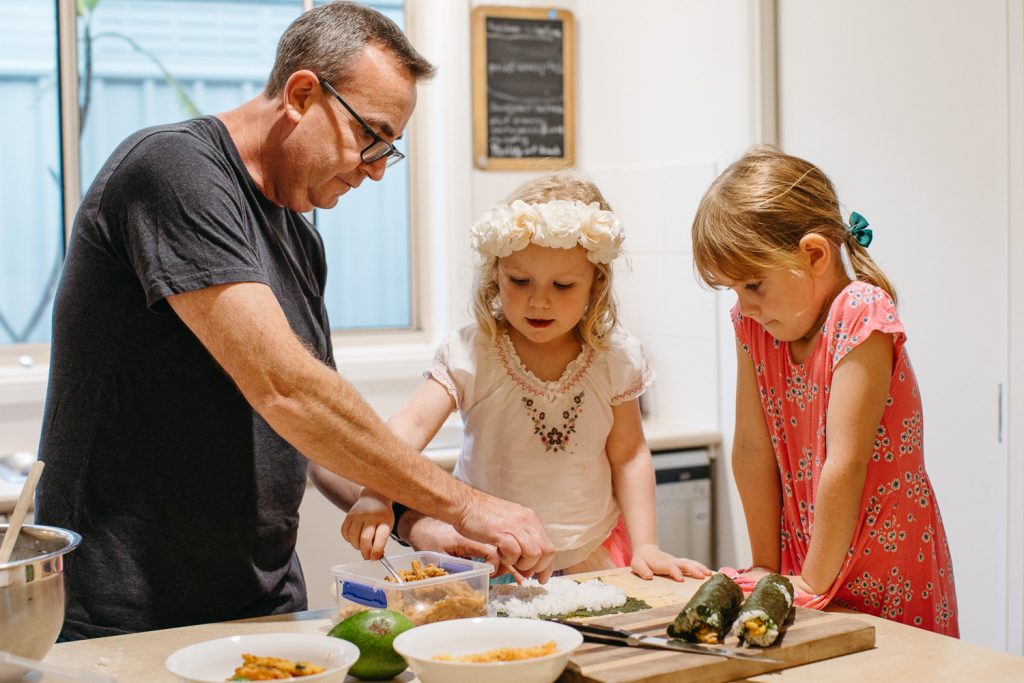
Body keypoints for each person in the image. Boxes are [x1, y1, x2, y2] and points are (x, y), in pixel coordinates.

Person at [35, 1, 553, 641]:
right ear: (302, 93)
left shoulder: (299, 239)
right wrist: (469, 504)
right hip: (128, 610)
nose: (373, 170)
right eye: (371, 136)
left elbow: (314, 436)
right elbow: (288, 389)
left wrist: (419, 522)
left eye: (389, 150)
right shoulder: (175, 172)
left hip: (262, 601)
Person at [339, 173, 713, 582]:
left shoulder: (615, 357)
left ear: (596, 284)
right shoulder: (473, 353)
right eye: (520, 281)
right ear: (496, 273)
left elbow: (630, 455)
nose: (539, 300)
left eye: (563, 285)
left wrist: (647, 546)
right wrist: (377, 493)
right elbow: (409, 426)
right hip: (490, 561)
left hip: (592, 553)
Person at [691, 145, 958, 636]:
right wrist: (765, 564)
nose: (744, 305)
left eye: (753, 284)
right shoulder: (753, 327)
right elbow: (752, 447)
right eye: (733, 291)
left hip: (885, 564)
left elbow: (846, 460)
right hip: (808, 557)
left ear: (813, 254)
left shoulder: (860, 313)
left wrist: (813, 579)